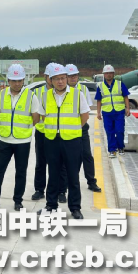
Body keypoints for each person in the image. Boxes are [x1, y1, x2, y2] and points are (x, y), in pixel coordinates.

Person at [37, 64, 90, 219]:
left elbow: (84, 116)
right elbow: (43, 116)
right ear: (51, 80)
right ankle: (51, 205)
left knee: (73, 175)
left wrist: (72, 129)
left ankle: (75, 207)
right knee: (53, 174)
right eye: (56, 79)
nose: (60, 81)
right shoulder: (45, 95)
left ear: (66, 78)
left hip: (72, 141)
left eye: (62, 78)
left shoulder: (77, 94)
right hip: (52, 140)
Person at [0, 64, 40, 211]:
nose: (17, 83)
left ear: (24, 80)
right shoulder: (2, 94)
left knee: (20, 172)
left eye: (20, 80)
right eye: (14, 80)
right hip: (4, 140)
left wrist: (23, 128)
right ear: (9, 80)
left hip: (23, 141)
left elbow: (36, 118)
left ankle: (18, 200)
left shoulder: (31, 96)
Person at [31, 63, 68, 203]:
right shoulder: (37, 92)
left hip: (59, 133)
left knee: (61, 163)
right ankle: (39, 190)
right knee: (41, 162)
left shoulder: (65, 93)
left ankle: (61, 191)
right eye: (51, 76)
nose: (56, 80)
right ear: (46, 77)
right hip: (42, 132)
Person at [65, 64, 101, 192]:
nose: (73, 78)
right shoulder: (61, 91)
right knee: (68, 158)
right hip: (66, 129)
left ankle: (91, 181)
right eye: (70, 76)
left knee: (86, 155)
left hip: (82, 127)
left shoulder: (83, 89)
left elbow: (86, 109)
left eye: (75, 75)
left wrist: (80, 125)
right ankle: (66, 184)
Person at [95, 64, 130, 158]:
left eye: (110, 73)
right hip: (107, 113)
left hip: (119, 112)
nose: (108, 75)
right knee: (109, 132)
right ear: (104, 74)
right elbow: (99, 100)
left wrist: (128, 108)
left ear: (113, 74)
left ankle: (120, 147)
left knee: (119, 130)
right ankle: (112, 150)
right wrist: (98, 112)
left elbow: (125, 97)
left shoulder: (120, 84)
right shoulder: (100, 86)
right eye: (106, 73)